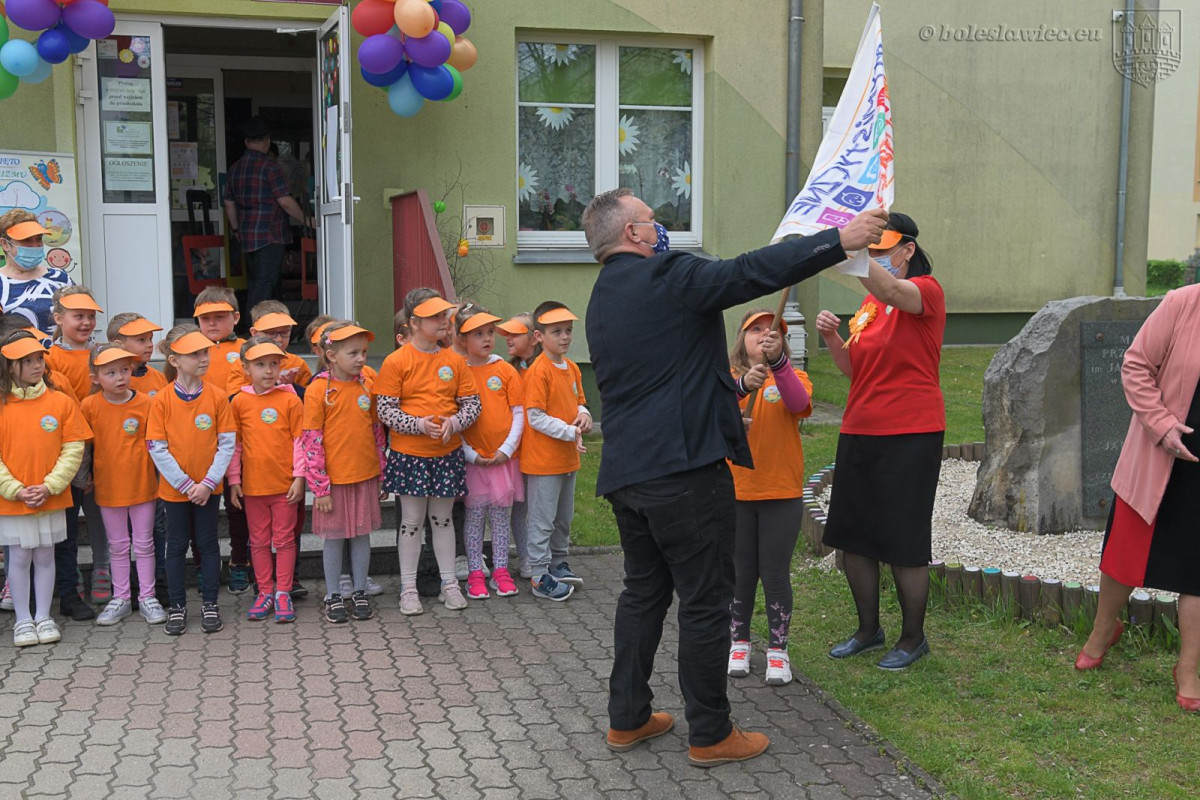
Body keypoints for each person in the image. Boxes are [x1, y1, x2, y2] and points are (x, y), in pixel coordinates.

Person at [583, 186, 885, 766]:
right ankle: (711, 733)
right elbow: (748, 272)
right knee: (705, 601)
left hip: (627, 473)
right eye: (651, 219)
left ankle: (628, 718)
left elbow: (665, 372)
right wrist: (837, 240)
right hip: (684, 473)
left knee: (642, 594)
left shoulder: (603, 297)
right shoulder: (668, 274)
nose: (661, 226)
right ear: (633, 234)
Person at [816, 212, 945, 671]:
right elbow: (855, 370)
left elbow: (892, 290)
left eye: (881, 249)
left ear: (908, 249)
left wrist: (846, 247)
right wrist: (832, 337)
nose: (874, 257)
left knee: (904, 539)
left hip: (911, 432)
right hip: (860, 428)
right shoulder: (870, 306)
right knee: (854, 535)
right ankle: (867, 630)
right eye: (869, 250)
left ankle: (913, 638)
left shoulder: (925, 291)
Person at [1078, 283, 1200, 712]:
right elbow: (1136, 365)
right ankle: (1102, 631)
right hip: (1159, 454)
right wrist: (1161, 426)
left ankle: (1188, 669)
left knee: (1197, 572)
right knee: (1124, 555)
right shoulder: (1184, 302)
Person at [374, 290, 480, 615]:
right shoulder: (396, 361)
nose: (443, 321)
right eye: (434, 317)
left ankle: (450, 584)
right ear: (414, 323)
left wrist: (455, 422)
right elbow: (385, 410)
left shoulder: (454, 361)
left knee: (442, 519)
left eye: (444, 315)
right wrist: (418, 425)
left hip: (446, 453)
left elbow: (472, 404)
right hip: (409, 454)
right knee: (411, 521)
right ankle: (408, 588)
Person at [726, 310, 814, 687]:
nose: (764, 335)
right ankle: (739, 642)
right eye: (756, 330)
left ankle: (778, 650)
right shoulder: (727, 378)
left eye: (773, 331)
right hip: (736, 491)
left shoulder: (794, 376)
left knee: (775, 573)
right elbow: (712, 410)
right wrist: (743, 387)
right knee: (740, 573)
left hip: (781, 492)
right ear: (742, 338)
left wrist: (779, 365)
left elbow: (798, 403)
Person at [0, 330, 92, 646]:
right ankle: (23, 619)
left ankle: (43, 616)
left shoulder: (60, 401)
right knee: (18, 557)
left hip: (49, 496)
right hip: (14, 499)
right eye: (27, 361)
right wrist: (13, 488)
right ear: (9, 365)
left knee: (45, 555)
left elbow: (73, 446)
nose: (37, 365)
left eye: (39, 358)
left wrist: (51, 485)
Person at [146, 325, 236, 636]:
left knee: (208, 544)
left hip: (209, 489)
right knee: (175, 546)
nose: (203, 358)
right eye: (194, 354)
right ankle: (177, 606)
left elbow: (227, 443)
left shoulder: (218, 397)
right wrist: (186, 485)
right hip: (175, 492)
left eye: (205, 352)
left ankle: (210, 603)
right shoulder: (162, 400)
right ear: (174, 360)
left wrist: (208, 483)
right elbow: (157, 447)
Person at [303, 322, 386, 624]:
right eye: (353, 353)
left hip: (365, 476)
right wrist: (320, 488)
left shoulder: (367, 385)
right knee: (335, 538)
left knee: (362, 535)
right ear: (331, 355)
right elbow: (311, 440)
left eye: (363, 352)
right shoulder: (318, 390)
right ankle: (334, 594)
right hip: (334, 482)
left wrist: (381, 473)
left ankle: (360, 590)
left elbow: (377, 432)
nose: (361, 358)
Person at [81, 345, 166, 627]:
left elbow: (157, 444)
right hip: (108, 489)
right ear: (95, 378)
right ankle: (121, 598)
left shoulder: (147, 404)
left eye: (124, 370)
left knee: (144, 544)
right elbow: (84, 447)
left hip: (143, 486)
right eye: (110, 373)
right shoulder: (89, 406)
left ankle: (148, 597)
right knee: (117, 546)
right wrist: (83, 477)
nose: (120, 377)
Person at [227, 338, 306, 623]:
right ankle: (264, 592)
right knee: (259, 542)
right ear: (246, 368)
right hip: (253, 488)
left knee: (284, 541)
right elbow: (235, 445)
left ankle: (283, 591)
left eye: (274, 364)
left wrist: (299, 477)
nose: (269, 370)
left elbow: (300, 441)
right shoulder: (239, 401)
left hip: (285, 487)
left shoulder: (290, 399)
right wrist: (234, 480)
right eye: (260, 364)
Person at [521, 301, 590, 601]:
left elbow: (580, 402)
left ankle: (558, 563)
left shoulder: (572, 367)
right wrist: (570, 431)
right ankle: (539, 575)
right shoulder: (538, 371)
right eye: (557, 331)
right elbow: (535, 417)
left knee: (563, 518)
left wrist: (584, 415)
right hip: (543, 462)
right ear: (538, 337)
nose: (565, 337)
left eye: (568, 330)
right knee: (542, 520)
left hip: (567, 459)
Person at [455, 305, 524, 599]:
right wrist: (470, 454)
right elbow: (454, 417)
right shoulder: (459, 372)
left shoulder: (505, 370)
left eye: (490, 332)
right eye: (478, 334)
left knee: (500, 518)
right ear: (462, 339)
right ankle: (475, 572)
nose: (487, 338)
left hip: (502, 461)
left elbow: (518, 413)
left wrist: (507, 449)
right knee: (474, 518)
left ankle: (501, 571)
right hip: (474, 463)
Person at [46, 286, 106, 619]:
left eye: (90, 316)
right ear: (58, 318)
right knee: (68, 521)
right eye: (78, 316)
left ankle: (103, 567)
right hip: (67, 450)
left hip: (104, 445)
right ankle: (70, 582)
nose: (86, 323)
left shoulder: (102, 353)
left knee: (99, 512)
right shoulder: (49, 359)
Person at [223, 117, 315, 311]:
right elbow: (285, 202)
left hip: (247, 235)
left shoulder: (235, 169)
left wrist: (236, 229)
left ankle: (269, 320)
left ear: (246, 142)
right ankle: (257, 322)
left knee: (256, 281)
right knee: (266, 283)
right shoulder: (271, 167)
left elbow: (229, 204)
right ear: (267, 141)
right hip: (271, 234)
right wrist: (307, 220)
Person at [497, 314, 535, 578]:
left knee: (537, 509)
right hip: (515, 452)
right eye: (506, 334)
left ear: (534, 338)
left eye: (515, 334)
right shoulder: (509, 371)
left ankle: (543, 556)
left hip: (540, 453)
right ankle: (526, 557)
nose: (508, 339)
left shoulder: (543, 368)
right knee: (519, 508)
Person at [0, 211, 74, 336]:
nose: (35, 245)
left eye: (38, 239)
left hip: (59, 349)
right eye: (26, 240)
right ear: (5, 244)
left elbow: (79, 318)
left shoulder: (60, 278)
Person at [107, 314, 168, 398]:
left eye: (150, 338)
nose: (150, 344)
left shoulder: (160, 378)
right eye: (142, 340)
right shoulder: (108, 382)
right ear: (118, 345)